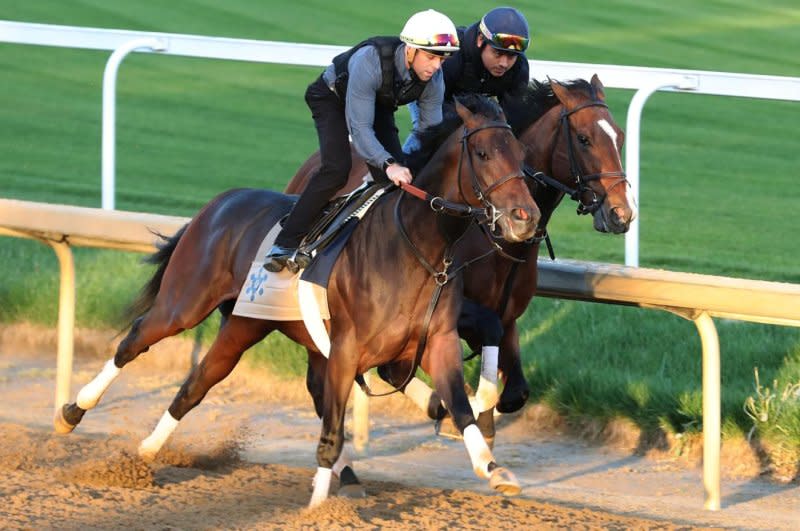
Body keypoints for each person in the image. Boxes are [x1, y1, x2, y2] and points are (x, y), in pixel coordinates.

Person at [264, 9, 460, 273]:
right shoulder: (371, 60)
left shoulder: (434, 80)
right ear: (410, 50)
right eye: (431, 56)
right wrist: (389, 164)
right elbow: (360, 129)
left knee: (394, 185)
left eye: (443, 59)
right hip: (331, 98)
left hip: (377, 105)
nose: (437, 66)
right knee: (337, 168)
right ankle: (284, 242)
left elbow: (431, 133)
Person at [403, 6, 530, 154]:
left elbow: (513, 119)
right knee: (430, 132)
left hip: (465, 99)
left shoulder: (519, 68)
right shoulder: (452, 58)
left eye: (511, 56)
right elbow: (435, 111)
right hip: (426, 88)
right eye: (498, 53)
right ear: (480, 40)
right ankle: (405, 165)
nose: (504, 63)